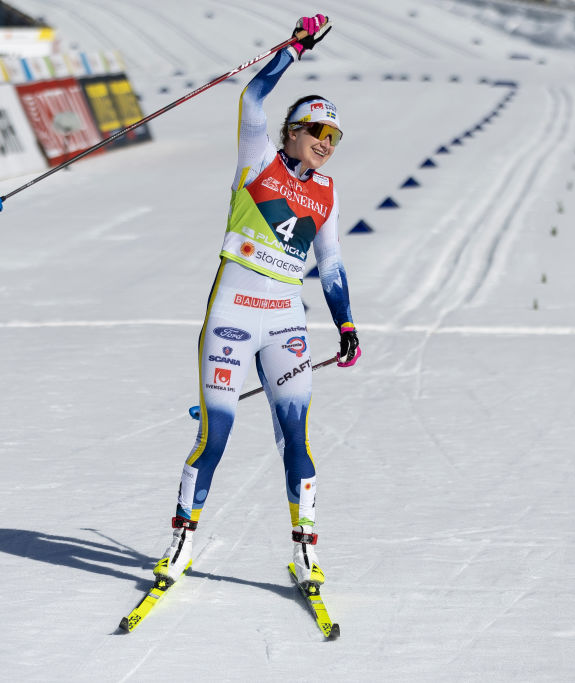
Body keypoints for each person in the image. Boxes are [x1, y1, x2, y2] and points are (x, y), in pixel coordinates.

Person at [155, 14, 359, 590]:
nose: (325, 142)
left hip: (287, 322)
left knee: (297, 437)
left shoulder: (326, 192)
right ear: (292, 130)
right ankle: (181, 543)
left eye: (335, 137)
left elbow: (333, 261)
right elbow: (252, 97)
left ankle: (306, 552)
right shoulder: (259, 158)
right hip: (234, 313)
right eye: (317, 129)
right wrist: (293, 50)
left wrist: (345, 324)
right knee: (214, 437)